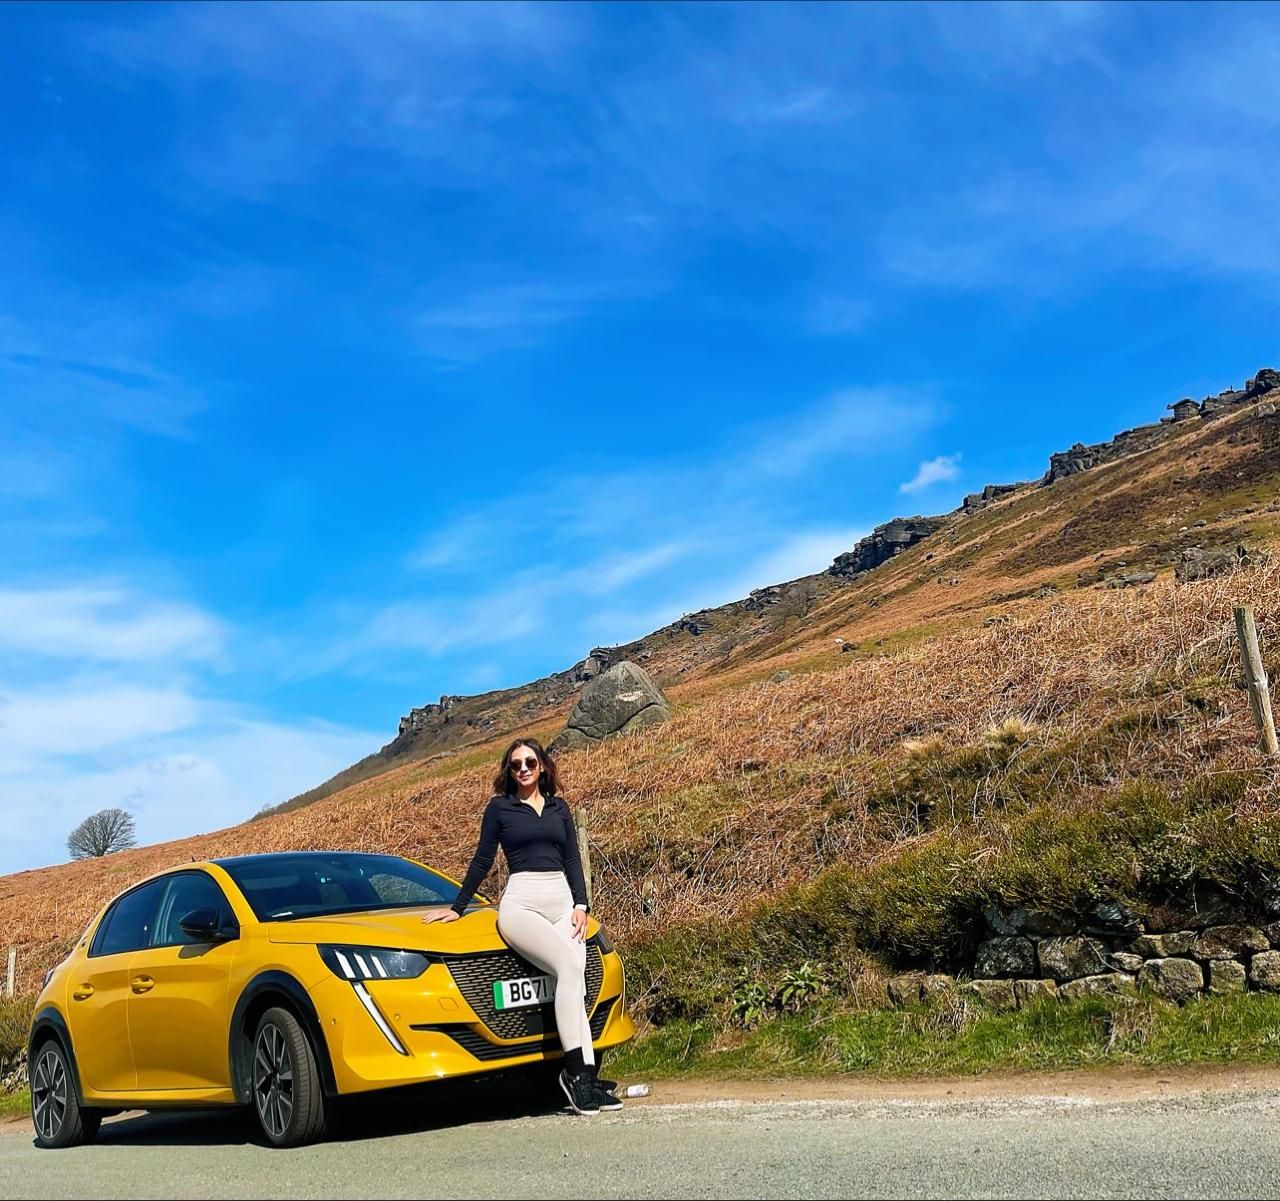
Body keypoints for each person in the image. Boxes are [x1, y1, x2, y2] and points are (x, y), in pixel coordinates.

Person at [422, 737, 620, 1115]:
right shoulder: (500, 809)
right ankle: (575, 1076)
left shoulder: (560, 808)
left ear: (542, 766)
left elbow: (573, 860)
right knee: (568, 966)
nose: (524, 769)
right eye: (516, 765)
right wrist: (457, 907)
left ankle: (589, 1081)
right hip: (521, 904)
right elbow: (482, 860)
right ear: (508, 772)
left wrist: (582, 904)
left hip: (563, 903)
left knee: (575, 976)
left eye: (530, 762)